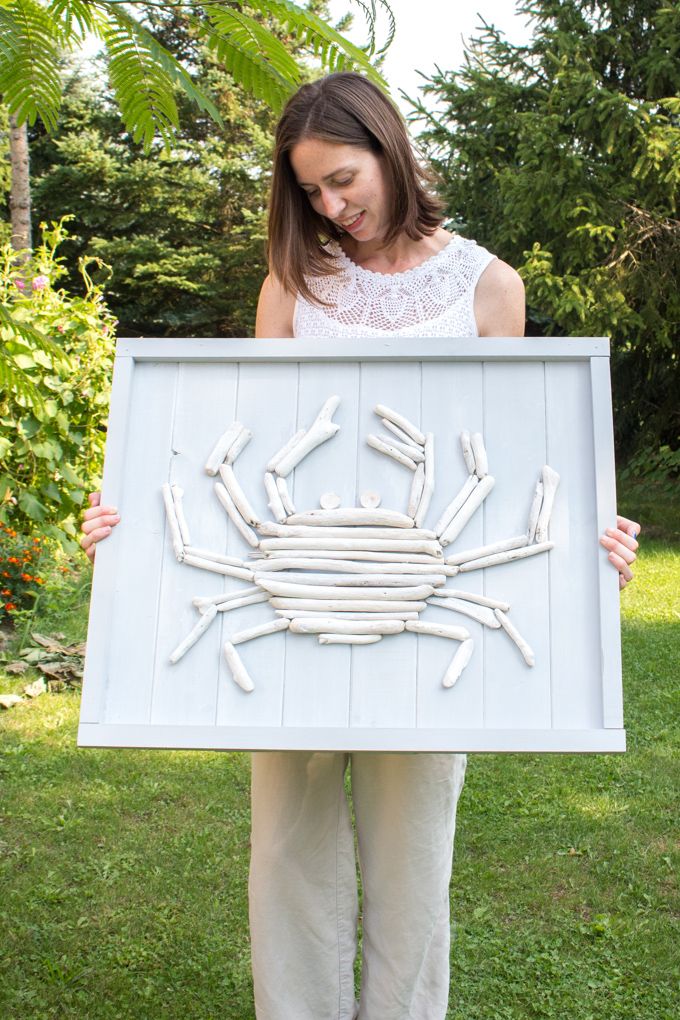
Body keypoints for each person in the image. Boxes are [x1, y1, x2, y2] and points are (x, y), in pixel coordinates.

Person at [80, 73, 640, 1019]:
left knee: (415, 865)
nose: (333, 208)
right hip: (295, 618)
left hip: (422, 629)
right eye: (311, 193)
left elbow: (518, 460)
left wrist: (588, 544)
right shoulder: (294, 285)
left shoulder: (489, 286)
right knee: (287, 858)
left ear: (390, 149)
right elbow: (246, 451)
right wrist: (134, 530)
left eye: (344, 179)